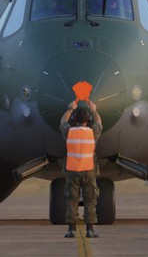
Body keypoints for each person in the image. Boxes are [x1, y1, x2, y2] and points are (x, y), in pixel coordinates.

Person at [60, 99, 102, 238]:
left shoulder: (69, 132)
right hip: (88, 170)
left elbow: (63, 122)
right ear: (87, 120)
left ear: (74, 119)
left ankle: (71, 229)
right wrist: (94, 110)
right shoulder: (92, 133)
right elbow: (99, 123)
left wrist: (70, 108)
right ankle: (90, 229)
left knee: (72, 199)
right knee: (90, 200)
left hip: (72, 170)